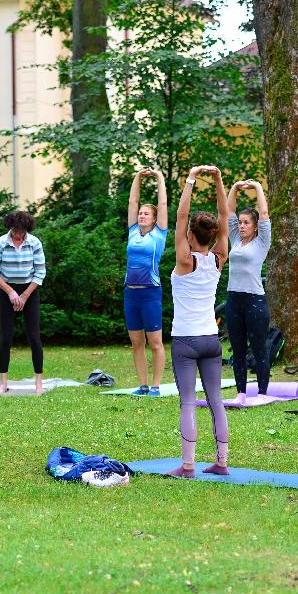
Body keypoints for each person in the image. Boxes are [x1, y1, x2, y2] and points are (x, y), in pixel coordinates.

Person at [167, 165, 230, 478]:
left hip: (186, 341)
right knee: (216, 401)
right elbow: (225, 217)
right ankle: (222, 462)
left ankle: (188, 465)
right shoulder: (219, 258)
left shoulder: (185, 259)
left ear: (191, 234)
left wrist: (191, 178)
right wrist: (219, 181)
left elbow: (180, 217)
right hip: (211, 339)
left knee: (189, 402)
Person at [0, 210, 46, 394]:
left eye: (22, 230)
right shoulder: (0, 243)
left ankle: (39, 384)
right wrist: (11, 292)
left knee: (34, 337)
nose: (18, 234)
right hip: (6, 291)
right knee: (6, 337)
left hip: (30, 291)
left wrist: (25, 296)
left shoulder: (34, 242)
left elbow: (40, 273)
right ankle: (3, 383)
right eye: (15, 230)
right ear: (10, 227)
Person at [225, 178, 271, 404]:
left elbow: (263, 213)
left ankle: (262, 392)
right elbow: (228, 210)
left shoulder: (262, 242)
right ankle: (241, 392)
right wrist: (234, 188)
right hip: (234, 299)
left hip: (255, 301)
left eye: (246, 223)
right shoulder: (234, 240)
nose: (241, 226)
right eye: (240, 223)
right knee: (238, 348)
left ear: (255, 226)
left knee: (259, 347)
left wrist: (257, 188)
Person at [124, 168, 168, 396]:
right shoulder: (132, 232)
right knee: (136, 342)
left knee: (155, 342)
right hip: (131, 294)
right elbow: (132, 201)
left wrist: (159, 177)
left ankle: (156, 385)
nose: (141, 216)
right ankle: (142, 384)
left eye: (146, 214)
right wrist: (138, 177)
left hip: (150, 293)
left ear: (154, 219)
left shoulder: (159, 234)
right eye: (140, 213)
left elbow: (162, 205)